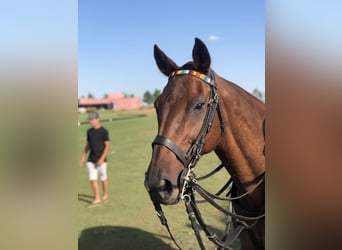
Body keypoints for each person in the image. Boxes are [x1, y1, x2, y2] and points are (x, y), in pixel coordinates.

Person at [80, 111, 110, 206]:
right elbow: (88, 145)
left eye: (92, 119)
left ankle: (105, 194)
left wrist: (102, 159)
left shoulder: (104, 132)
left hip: (101, 160)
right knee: (92, 179)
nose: (91, 121)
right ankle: (97, 197)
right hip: (91, 160)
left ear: (98, 119)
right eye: (90, 120)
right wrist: (83, 157)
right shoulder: (89, 132)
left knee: (103, 178)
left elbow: (107, 146)